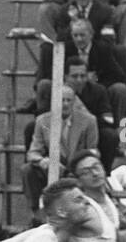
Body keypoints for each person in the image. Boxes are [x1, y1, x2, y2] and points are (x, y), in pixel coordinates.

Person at [21, 85, 97, 221]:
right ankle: (37, 214)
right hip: (52, 167)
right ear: (54, 101)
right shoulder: (42, 121)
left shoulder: (89, 121)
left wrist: (78, 163)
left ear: (74, 102)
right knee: (28, 170)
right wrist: (43, 161)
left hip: (76, 169)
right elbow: (33, 152)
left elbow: (93, 151)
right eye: (61, 100)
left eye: (69, 100)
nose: (65, 104)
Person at [64, 19, 126, 123]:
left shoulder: (103, 49)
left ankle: (116, 127)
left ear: (91, 35)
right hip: (70, 90)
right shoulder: (65, 49)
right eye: (75, 35)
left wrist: (97, 81)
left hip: (97, 91)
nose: (79, 39)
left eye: (82, 35)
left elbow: (118, 75)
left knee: (120, 88)